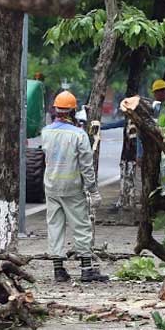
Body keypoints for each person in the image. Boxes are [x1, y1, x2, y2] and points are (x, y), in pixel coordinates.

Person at [43, 91, 106, 282]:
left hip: (51, 186)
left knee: (55, 226)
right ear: (72, 111)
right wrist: (93, 191)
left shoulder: (46, 132)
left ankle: (58, 270)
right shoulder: (79, 135)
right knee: (81, 226)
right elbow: (86, 166)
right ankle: (86, 269)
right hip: (72, 187)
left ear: (55, 110)